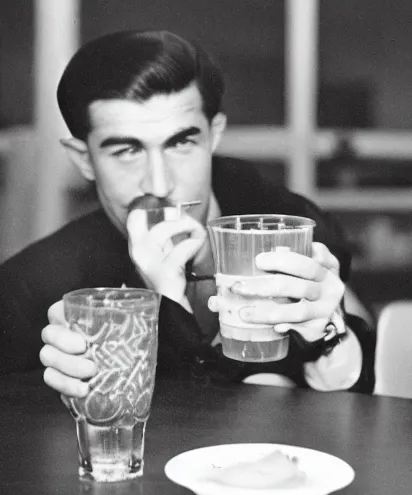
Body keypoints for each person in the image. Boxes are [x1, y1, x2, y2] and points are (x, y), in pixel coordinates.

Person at [0, 30, 375, 395]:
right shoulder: (31, 291)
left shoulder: (283, 222)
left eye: (180, 143)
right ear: (84, 160)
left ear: (214, 134)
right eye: (126, 151)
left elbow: (359, 390)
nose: (160, 185)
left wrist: (332, 335)